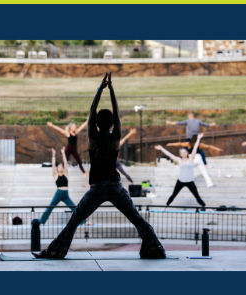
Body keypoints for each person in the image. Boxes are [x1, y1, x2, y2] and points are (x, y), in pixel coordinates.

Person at [32, 72, 166, 259]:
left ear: (96, 123)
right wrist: (111, 90)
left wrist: (100, 90)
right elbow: (117, 113)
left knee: (74, 221)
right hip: (115, 187)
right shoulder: (115, 138)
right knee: (137, 219)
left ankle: (55, 250)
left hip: (97, 189)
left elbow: (90, 113)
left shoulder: (93, 138)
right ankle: (155, 249)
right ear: (112, 123)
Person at [38, 147, 92, 226]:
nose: (61, 167)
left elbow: (65, 163)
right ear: (57, 169)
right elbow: (53, 165)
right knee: (50, 207)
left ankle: (84, 222)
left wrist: (63, 153)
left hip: (65, 194)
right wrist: (53, 155)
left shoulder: (65, 174)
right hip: (58, 194)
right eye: (59, 167)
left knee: (74, 208)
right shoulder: (55, 175)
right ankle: (41, 222)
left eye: (61, 166)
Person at [155, 133, 206, 211]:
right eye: (182, 153)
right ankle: (165, 206)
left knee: (197, 195)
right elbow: (170, 154)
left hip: (190, 181)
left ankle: (204, 206)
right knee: (173, 195)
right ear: (181, 154)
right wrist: (162, 148)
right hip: (181, 181)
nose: (183, 154)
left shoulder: (191, 159)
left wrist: (198, 139)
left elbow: (195, 149)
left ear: (187, 153)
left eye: (184, 152)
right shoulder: (179, 160)